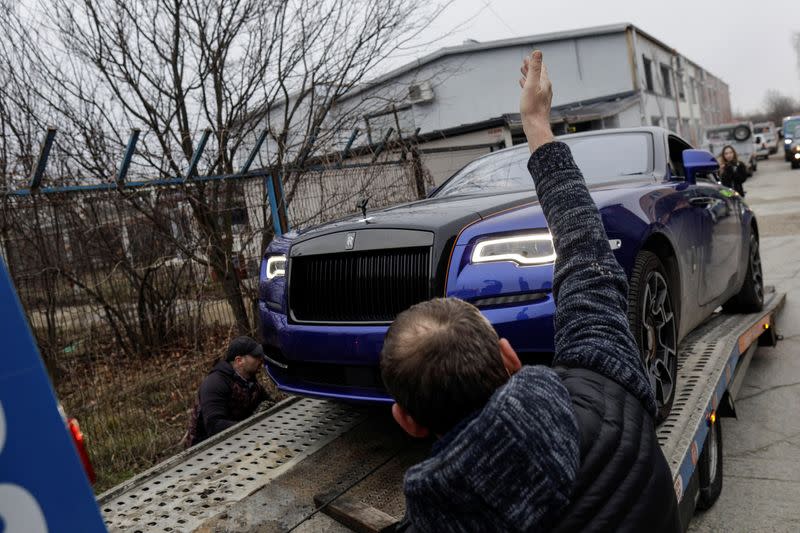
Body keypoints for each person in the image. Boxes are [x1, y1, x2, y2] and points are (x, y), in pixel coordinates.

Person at [380, 50, 680, 532]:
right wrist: (537, 123)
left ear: (407, 421)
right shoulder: (607, 385)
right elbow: (587, 253)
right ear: (510, 358)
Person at [185, 336, 269, 447]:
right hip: (206, 448)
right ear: (239, 361)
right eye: (256, 357)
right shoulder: (215, 383)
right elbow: (214, 425)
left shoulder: (250, 380)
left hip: (239, 439)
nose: (261, 360)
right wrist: (252, 428)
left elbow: (269, 403)